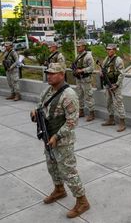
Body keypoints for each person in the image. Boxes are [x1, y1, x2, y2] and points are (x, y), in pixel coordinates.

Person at [30, 63, 90, 218]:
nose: (49, 75)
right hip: (48, 137)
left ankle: (82, 201)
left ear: (62, 75)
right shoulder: (47, 91)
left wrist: (57, 136)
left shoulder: (69, 95)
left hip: (63, 140)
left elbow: (72, 121)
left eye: (53, 73)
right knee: (52, 167)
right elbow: (40, 107)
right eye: (48, 73)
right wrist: (35, 114)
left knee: (68, 171)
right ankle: (59, 190)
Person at [100, 43, 126, 132]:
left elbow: (122, 74)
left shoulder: (118, 60)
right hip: (108, 84)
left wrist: (117, 84)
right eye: (107, 49)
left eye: (110, 49)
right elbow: (103, 68)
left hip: (115, 85)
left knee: (118, 103)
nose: (108, 51)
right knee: (108, 102)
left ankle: (122, 122)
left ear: (114, 50)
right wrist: (101, 73)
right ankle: (111, 119)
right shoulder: (106, 59)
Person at [72, 39, 95, 121]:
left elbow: (92, 68)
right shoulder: (78, 56)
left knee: (88, 96)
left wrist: (82, 70)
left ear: (84, 46)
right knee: (79, 96)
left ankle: (92, 113)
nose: (78, 48)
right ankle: (81, 111)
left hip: (86, 79)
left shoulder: (88, 56)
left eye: (79, 46)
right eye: (77, 46)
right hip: (79, 79)